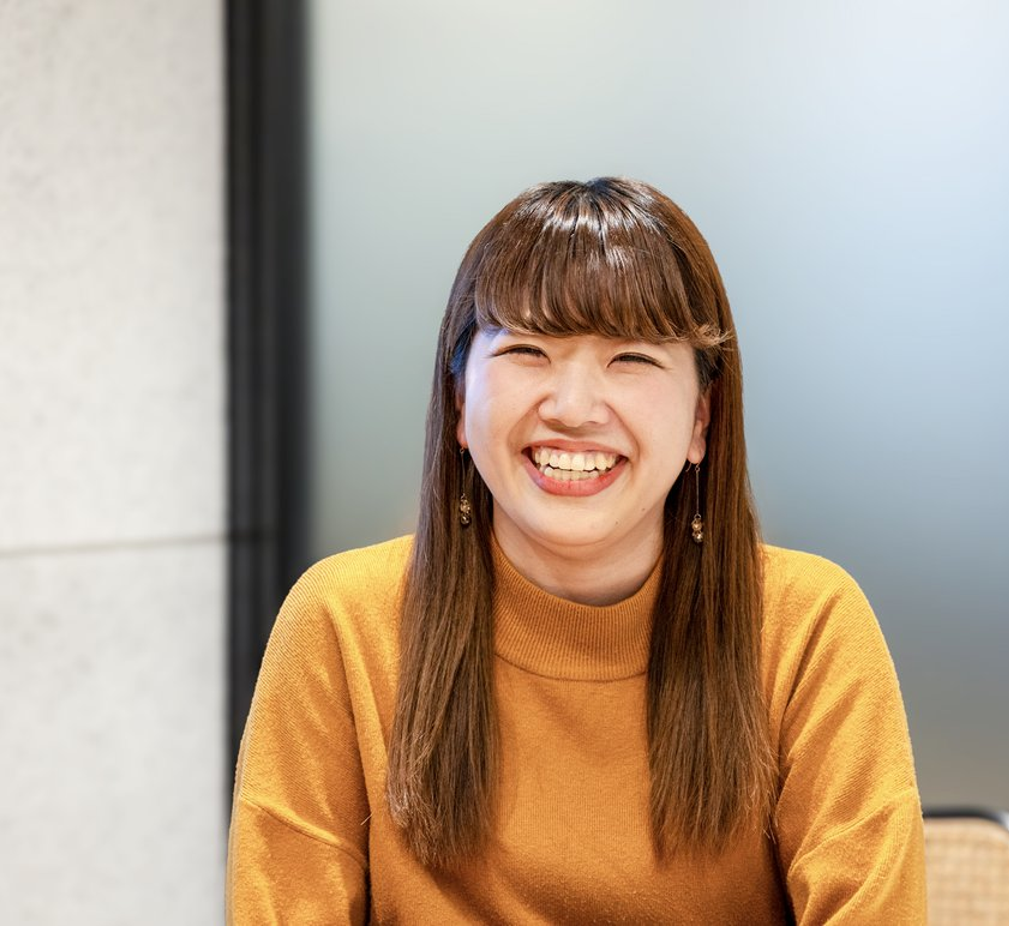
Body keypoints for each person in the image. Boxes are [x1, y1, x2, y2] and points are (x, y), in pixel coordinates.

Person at [226, 177, 926, 923]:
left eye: (631, 359)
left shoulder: (808, 628)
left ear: (702, 418)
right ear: (460, 402)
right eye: (527, 350)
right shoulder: (342, 622)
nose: (573, 409)